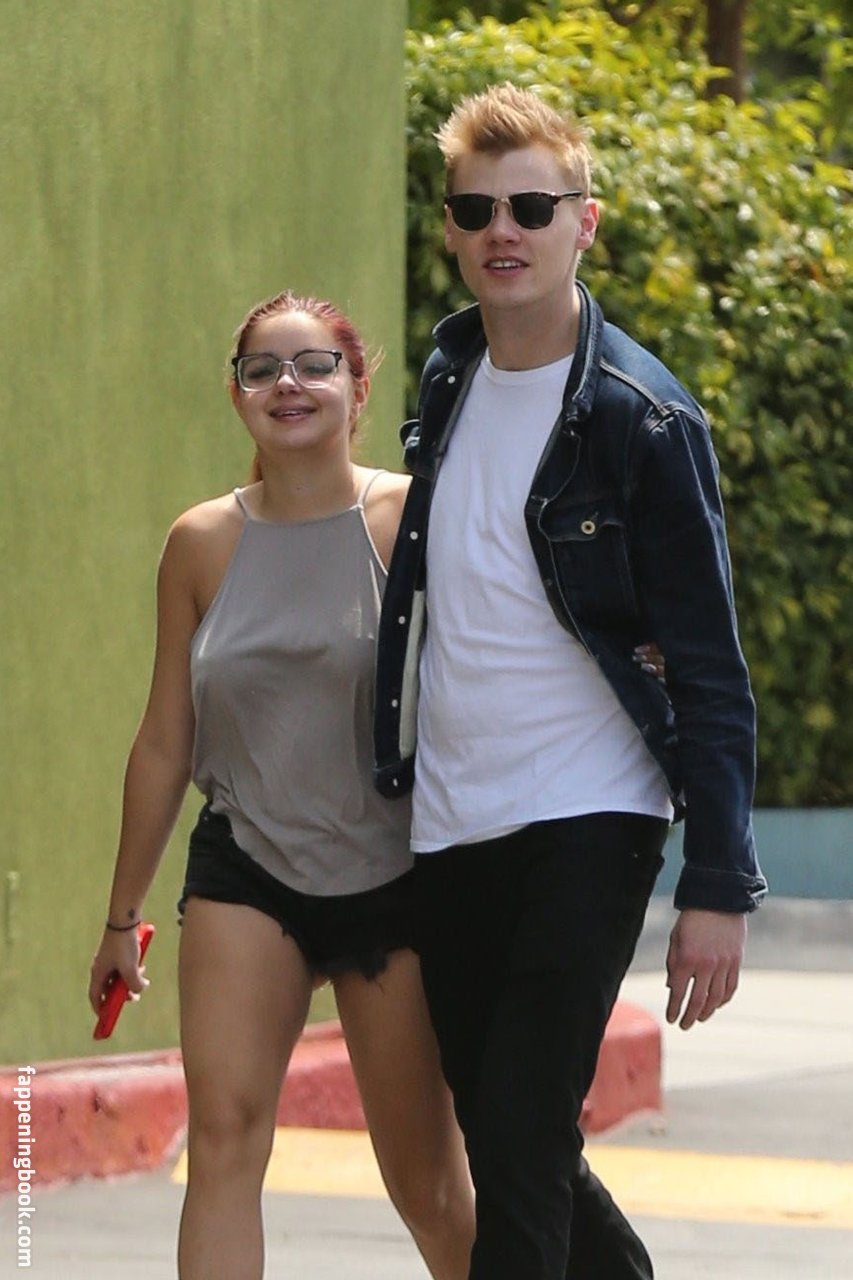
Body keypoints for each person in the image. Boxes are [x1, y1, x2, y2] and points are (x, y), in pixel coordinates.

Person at [374, 83, 768, 1280]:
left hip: (590, 813)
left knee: (519, 1129)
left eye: (532, 207)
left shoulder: (642, 418)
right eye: (476, 209)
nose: (503, 230)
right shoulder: (447, 377)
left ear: (582, 222)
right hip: (451, 817)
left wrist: (717, 882)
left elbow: (709, 664)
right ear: (452, 229)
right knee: (514, 1134)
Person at [88, 290, 476, 1280]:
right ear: (237, 396)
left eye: (312, 365)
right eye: (261, 370)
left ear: (358, 387)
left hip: (394, 879)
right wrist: (121, 914)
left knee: (428, 1184)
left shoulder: (413, 520)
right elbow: (164, 739)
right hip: (248, 869)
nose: (287, 385)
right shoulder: (200, 543)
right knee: (222, 1140)